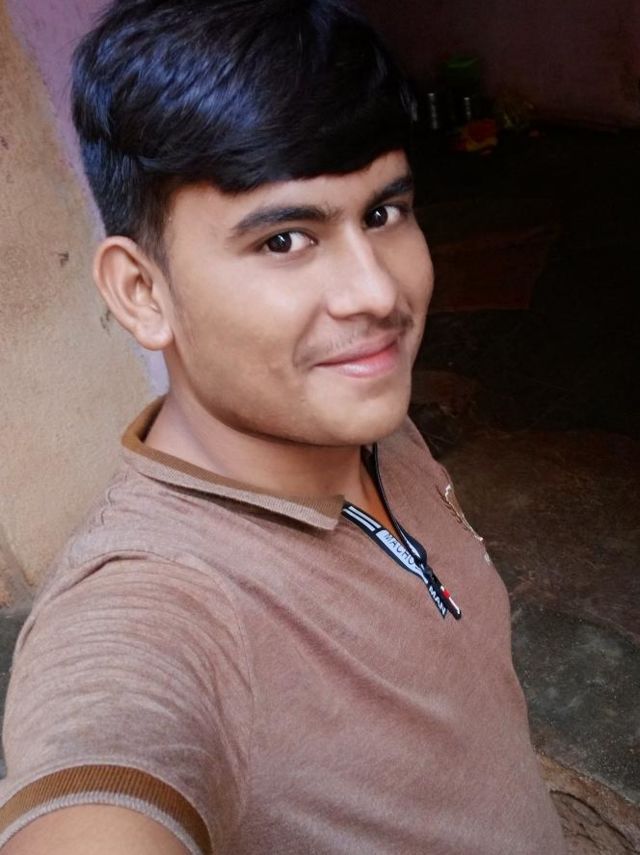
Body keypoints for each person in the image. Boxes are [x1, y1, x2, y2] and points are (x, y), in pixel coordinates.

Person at [0, 1, 566, 853]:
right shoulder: (157, 608)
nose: (378, 293)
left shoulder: (367, 422)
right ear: (142, 292)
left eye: (383, 214)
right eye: (284, 240)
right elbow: (104, 762)